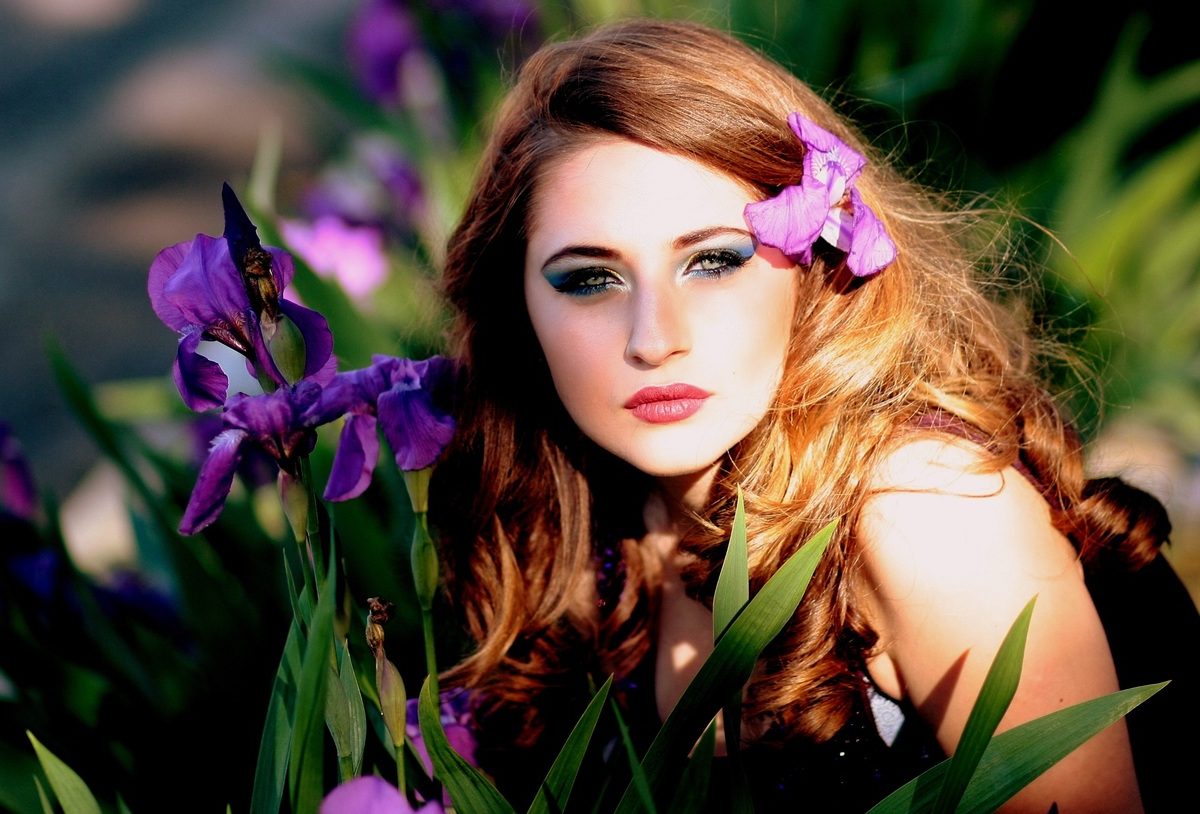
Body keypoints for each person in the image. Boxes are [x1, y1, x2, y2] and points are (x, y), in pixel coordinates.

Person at [424, 17, 1199, 813]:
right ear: (516, 307)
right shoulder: (586, 523)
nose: (653, 341)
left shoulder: (922, 510)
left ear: (818, 265)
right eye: (589, 280)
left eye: (715, 261)